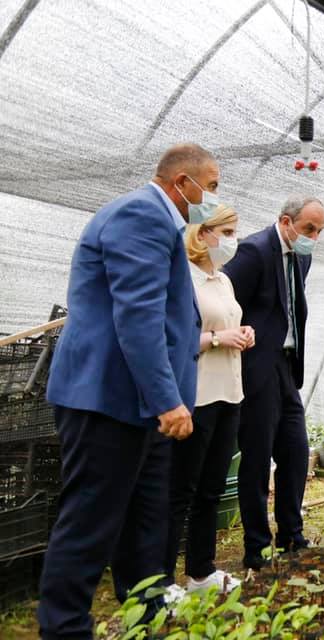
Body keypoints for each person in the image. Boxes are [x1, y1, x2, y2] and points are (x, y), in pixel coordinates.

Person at [39, 143, 216, 638]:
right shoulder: (141, 215)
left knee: (145, 518)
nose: (212, 198)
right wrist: (167, 399)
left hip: (137, 405)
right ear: (182, 183)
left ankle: (146, 614)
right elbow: (138, 317)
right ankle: (64, 627)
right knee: (91, 518)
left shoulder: (160, 223)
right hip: (107, 398)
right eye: (210, 186)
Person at [222, 195, 324, 571]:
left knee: (296, 451)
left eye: (320, 231)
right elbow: (225, 301)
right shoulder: (253, 252)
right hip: (256, 367)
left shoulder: (301, 257)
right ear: (286, 222)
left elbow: (290, 307)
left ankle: (291, 536)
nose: (314, 237)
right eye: (309, 228)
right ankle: (257, 545)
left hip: (285, 366)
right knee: (256, 456)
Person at [164, 204, 252, 595]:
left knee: (211, 488)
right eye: (227, 232)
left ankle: (201, 571)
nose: (233, 241)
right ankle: (163, 580)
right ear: (202, 235)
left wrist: (242, 332)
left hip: (229, 394)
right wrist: (217, 339)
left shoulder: (223, 280)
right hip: (196, 395)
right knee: (179, 490)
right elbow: (173, 339)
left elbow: (228, 324)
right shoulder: (183, 278)